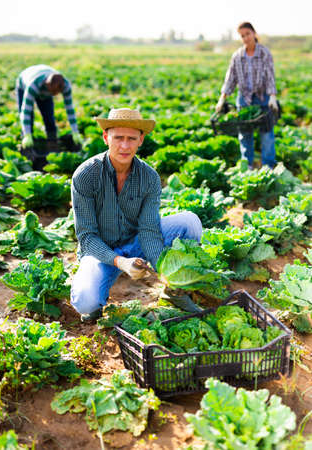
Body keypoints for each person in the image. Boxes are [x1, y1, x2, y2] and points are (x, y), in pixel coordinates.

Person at [70, 108, 203, 322]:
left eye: (131, 139)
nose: (124, 145)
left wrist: (165, 271)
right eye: (118, 138)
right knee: (85, 302)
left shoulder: (149, 177)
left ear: (141, 140)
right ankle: (97, 298)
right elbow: (87, 237)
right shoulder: (86, 175)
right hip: (100, 251)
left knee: (189, 222)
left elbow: (149, 231)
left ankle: (174, 291)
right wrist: (121, 262)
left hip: (136, 242)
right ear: (106, 137)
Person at [216, 22, 279, 169]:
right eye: (242, 36)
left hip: (262, 98)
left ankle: (268, 165)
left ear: (254, 33)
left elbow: (270, 76)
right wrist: (222, 98)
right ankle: (247, 165)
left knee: (266, 133)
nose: (245, 38)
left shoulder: (264, 53)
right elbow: (231, 78)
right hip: (244, 99)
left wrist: (272, 97)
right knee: (245, 134)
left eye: (247, 34)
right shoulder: (237, 56)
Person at [16, 64, 83, 150]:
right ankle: (27, 145)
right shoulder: (33, 86)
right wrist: (27, 134)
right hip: (23, 83)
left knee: (49, 115)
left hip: (43, 82)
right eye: (52, 92)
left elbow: (70, 110)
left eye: (56, 93)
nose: (53, 95)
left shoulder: (66, 86)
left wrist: (75, 131)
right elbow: (26, 111)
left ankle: (52, 144)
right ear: (47, 85)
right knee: (30, 117)